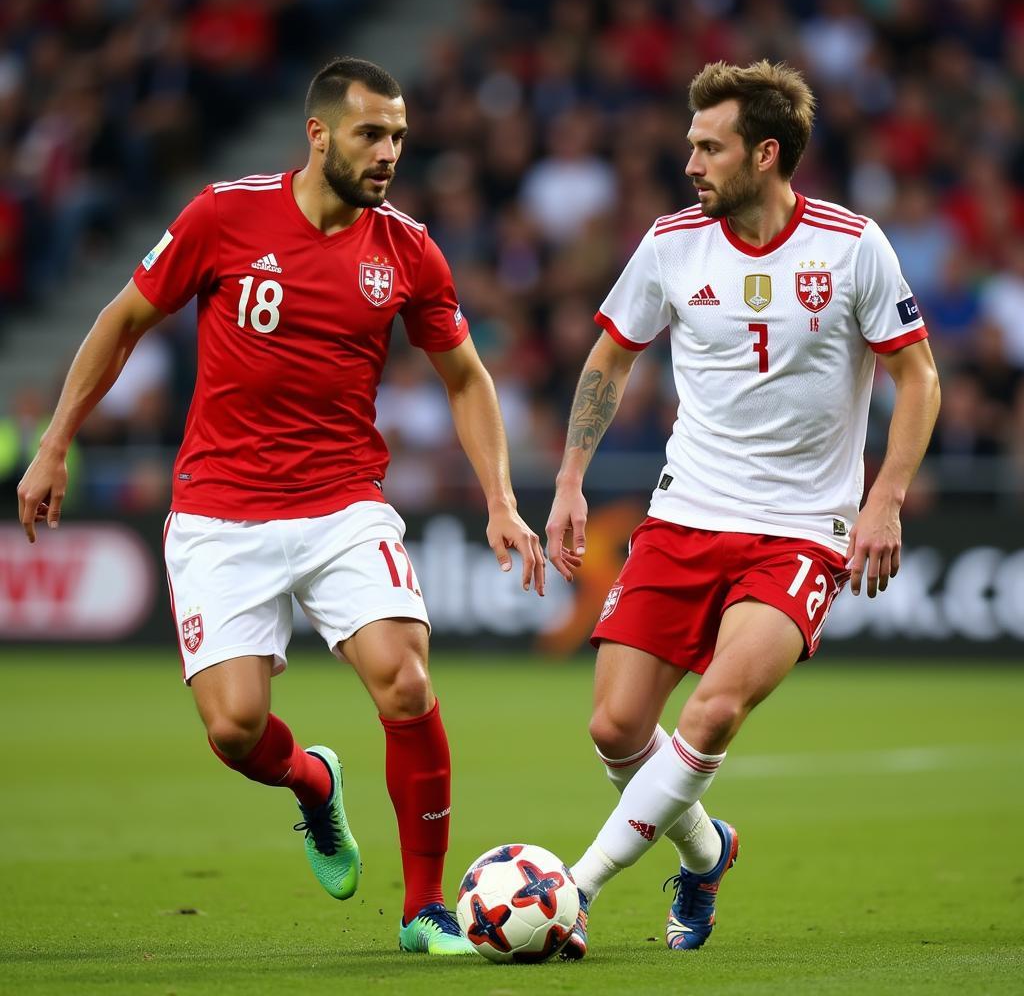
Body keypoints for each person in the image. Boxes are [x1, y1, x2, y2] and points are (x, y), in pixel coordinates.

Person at [17, 56, 546, 955]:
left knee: (407, 679)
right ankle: (312, 784)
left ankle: (422, 911)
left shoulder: (407, 248)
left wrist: (500, 497)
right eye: (370, 134)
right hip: (222, 509)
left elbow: (466, 376)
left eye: (398, 138)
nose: (388, 154)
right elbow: (121, 321)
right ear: (318, 134)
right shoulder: (225, 214)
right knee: (234, 729)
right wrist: (56, 440)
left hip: (343, 503)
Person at [544, 59, 940, 958]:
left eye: (709, 146)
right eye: (691, 143)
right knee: (613, 727)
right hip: (687, 513)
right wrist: (569, 481)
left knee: (714, 712)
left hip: (804, 529)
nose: (691, 161)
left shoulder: (851, 246)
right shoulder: (671, 242)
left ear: (765, 154)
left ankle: (576, 888)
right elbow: (609, 359)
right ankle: (706, 849)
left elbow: (918, 378)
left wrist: (885, 498)